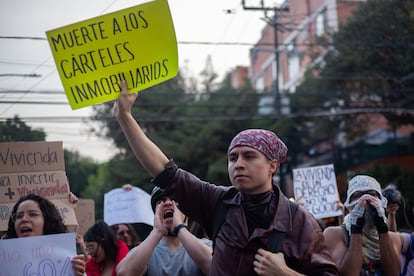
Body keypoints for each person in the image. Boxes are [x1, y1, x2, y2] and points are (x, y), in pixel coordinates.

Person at [114, 80, 339, 275]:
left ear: (272, 166)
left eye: (249, 156)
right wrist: (124, 116)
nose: (238, 164)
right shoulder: (217, 203)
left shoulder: (299, 221)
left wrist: (284, 273)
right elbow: (166, 172)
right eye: (233, 158)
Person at [116, 186, 212, 275]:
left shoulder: (206, 245)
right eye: (161, 201)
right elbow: (123, 272)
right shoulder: (147, 251)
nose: (168, 203)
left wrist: (180, 228)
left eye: (174, 200)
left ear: (186, 211)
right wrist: (157, 232)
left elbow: (217, 266)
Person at [323, 175, 403, 275]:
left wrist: (382, 228)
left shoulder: (393, 237)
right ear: (349, 204)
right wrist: (356, 229)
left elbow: (394, 273)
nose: (365, 199)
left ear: (381, 201)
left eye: (372, 194)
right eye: (358, 195)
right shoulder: (335, 235)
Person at [4, 193, 85, 276]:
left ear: (47, 221)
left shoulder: (69, 261)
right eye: (19, 216)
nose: (24, 219)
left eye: (32, 214)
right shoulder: (3, 262)